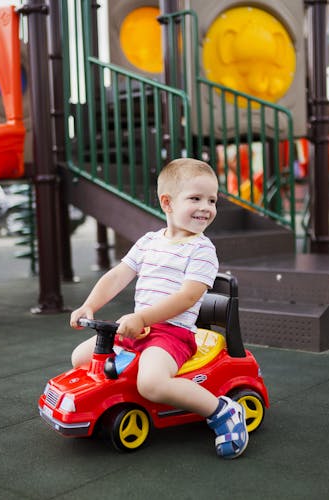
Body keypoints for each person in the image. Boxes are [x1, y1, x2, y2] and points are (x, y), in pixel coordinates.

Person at [69, 158, 248, 459]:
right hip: (140, 329)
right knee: (81, 357)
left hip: (172, 334)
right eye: (195, 198)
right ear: (167, 202)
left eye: (212, 200)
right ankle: (114, 402)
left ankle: (223, 411)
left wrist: (142, 317)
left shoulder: (202, 249)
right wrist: (89, 305)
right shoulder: (149, 242)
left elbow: (188, 297)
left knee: (152, 382)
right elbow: (117, 276)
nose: (206, 207)